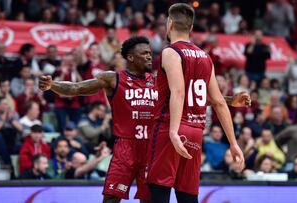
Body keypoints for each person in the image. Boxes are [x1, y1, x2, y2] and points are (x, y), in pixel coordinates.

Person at [39, 36, 249, 202]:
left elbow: (190, 98)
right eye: (145, 54)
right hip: (125, 147)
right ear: (131, 57)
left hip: (153, 148)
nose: (150, 57)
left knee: (150, 200)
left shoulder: (159, 80)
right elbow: (77, 88)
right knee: (111, 198)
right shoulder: (113, 78)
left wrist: (230, 100)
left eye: (150, 53)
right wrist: (53, 85)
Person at [147, 4, 245, 203]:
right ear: (191, 29)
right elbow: (218, 102)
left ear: (170, 23)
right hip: (196, 132)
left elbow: (178, 92)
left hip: (170, 128)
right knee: (187, 195)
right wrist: (234, 143)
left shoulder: (170, 52)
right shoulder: (205, 57)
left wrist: (174, 132)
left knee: (158, 190)